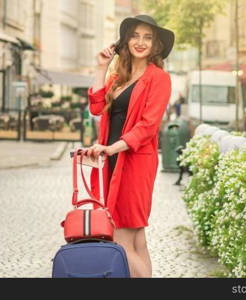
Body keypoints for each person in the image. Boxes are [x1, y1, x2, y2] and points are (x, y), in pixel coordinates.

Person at [84, 15, 174, 278]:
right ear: (124, 40)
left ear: (156, 45)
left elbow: (148, 126)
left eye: (147, 37)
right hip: (113, 160)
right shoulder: (118, 76)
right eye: (135, 35)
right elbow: (97, 107)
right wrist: (101, 68)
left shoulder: (159, 78)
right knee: (136, 240)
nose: (140, 42)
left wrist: (112, 148)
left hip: (134, 163)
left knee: (120, 236)